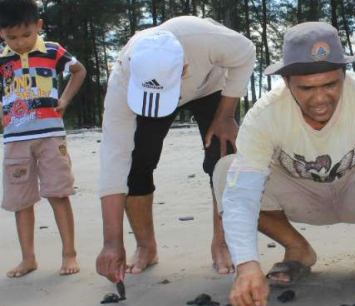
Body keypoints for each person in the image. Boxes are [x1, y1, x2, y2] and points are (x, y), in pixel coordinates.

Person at [213, 22, 355, 306]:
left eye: (330, 85)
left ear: (345, 75)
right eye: (306, 88)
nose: (319, 98)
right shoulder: (264, 115)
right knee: (226, 171)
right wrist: (246, 264)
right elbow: (242, 196)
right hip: (301, 197)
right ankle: (297, 248)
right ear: (286, 82)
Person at [95, 16, 255, 284]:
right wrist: (111, 242)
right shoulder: (123, 77)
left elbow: (246, 53)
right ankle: (146, 246)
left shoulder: (205, 38)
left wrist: (226, 115)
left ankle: (223, 243)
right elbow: (113, 158)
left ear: (183, 68)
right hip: (148, 92)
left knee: (223, 156)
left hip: (211, 86)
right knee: (136, 161)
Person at [0, 0, 86, 277]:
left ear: (38, 26)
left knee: (58, 193)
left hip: (50, 135)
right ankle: (28, 259)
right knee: (21, 199)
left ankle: (69, 253)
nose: (20, 43)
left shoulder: (52, 50)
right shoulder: (2, 58)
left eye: (26, 34)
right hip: (15, 138)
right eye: (11, 37)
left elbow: (79, 70)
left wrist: (64, 99)